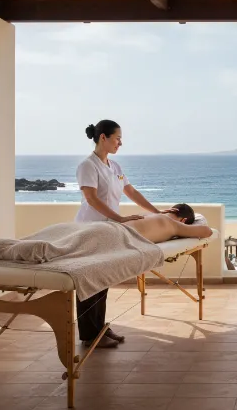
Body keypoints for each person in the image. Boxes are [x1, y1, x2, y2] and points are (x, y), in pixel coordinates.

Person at [75, 119, 176, 348]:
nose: (120, 143)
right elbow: (91, 199)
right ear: (103, 137)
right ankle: (89, 334)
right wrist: (119, 218)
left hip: (108, 230)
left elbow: (131, 191)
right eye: (117, 138)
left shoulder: (115, 166)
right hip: (90, 229)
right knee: (89, 281)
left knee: (102, 280)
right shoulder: (87, 166)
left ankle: (99, 329)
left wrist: (157, 212)